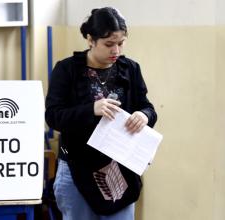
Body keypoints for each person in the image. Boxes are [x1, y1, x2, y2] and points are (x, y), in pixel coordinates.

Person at [45, 7, 157, 220]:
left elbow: (147, 107)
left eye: (121, 43)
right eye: (109, 44)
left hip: (120, 170)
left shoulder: (130, 69)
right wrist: (91, 109)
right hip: (75, 169)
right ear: (90, 39)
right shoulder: (67, 69)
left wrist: (144, 116)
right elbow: (53, 116)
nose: (116, 50)